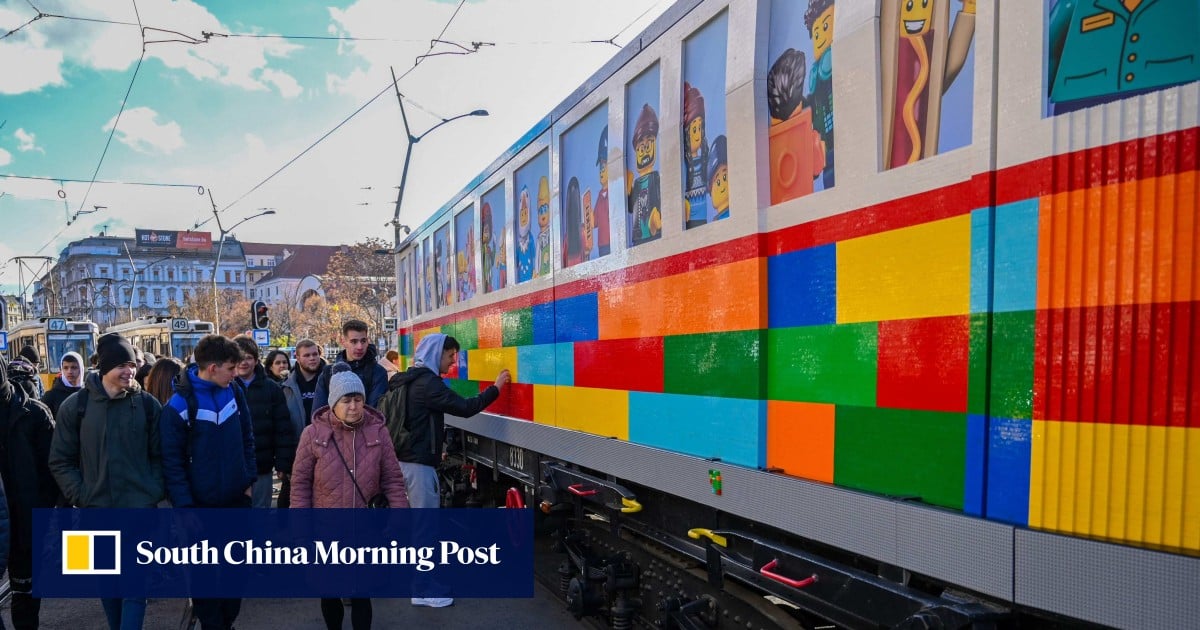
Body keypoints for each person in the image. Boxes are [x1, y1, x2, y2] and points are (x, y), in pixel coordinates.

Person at [383, 333, 509, 608]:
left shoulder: (409, 379)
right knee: (424, 529)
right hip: (418, 467)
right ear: (436, 353)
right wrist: (496, 388)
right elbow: (465, 408)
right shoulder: (428, 384)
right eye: (450, 355)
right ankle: (424, 590)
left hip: (403, 461)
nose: (453, 361)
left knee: (416, 527)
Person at [50, 333, 164, 630]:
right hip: (94, 512)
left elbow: (160, 455)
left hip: (139, 512)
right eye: (121, 365)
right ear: (104, 369)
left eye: (131, 364)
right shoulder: (75, 407)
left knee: (135, 591)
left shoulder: (148, 406)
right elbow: (60, 460)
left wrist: (152, 491)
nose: (129, 370)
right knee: (108, 588)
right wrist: (82, 494)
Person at [291, 366, 408, 629]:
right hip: (325, 530)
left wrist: (399, 517)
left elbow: (392, 478)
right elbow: (299, 485)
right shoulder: (313, 435)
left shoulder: (378, 432)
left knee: (362, 593)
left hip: (366, 530)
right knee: (329, 592)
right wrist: (301, 532)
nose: (354, 406)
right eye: (347, 400)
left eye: (358, 399)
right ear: (334, 402)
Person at [160, 334, 255, 630]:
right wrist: (185, 508)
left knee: (235, 577)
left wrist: (248, 481)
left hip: (236, 502)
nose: (235, 373)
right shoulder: (178, 405)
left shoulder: (235, 391)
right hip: (198, 509)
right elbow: (172, 463)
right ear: (212, 368)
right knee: (204, 581)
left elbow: (247, 438)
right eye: (231, 367)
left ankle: (224, 624)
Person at [1, 352, 58, 630]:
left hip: (26, 523)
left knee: (25, 597)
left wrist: (42, 516)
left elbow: (52, 472)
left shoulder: (34, 413)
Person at [233, 336, 295, 509]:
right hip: (233, 466)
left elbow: (282, 428)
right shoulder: (224, 387)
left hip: (262, 464)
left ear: (256, 360)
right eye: (239, 358)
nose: (243, 362)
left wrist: (282, 463)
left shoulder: (271, 388)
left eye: (248, 357)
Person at [279, 339, 325, 509]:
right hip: (296, 452)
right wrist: (284, 461)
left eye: (315, 354)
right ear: (297, 357)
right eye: (307, 355)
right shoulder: (286, 387)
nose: (312, 358)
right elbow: (282, 427)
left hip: (325, 450)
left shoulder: (329, 380)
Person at [314, 320, 387, 411]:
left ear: (368, 341)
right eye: (354, 341)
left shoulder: (378, 372)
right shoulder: (328, 373)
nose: (360, 347)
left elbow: (374, 413)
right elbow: (319, 414)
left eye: (363, 341)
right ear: (343, 341)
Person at [42, 351, 85, 418]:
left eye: (74, 367)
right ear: (61, 370)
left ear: (81, 369)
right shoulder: (51, 396)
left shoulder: (88, 393)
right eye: (65, 368)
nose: (69, 371)